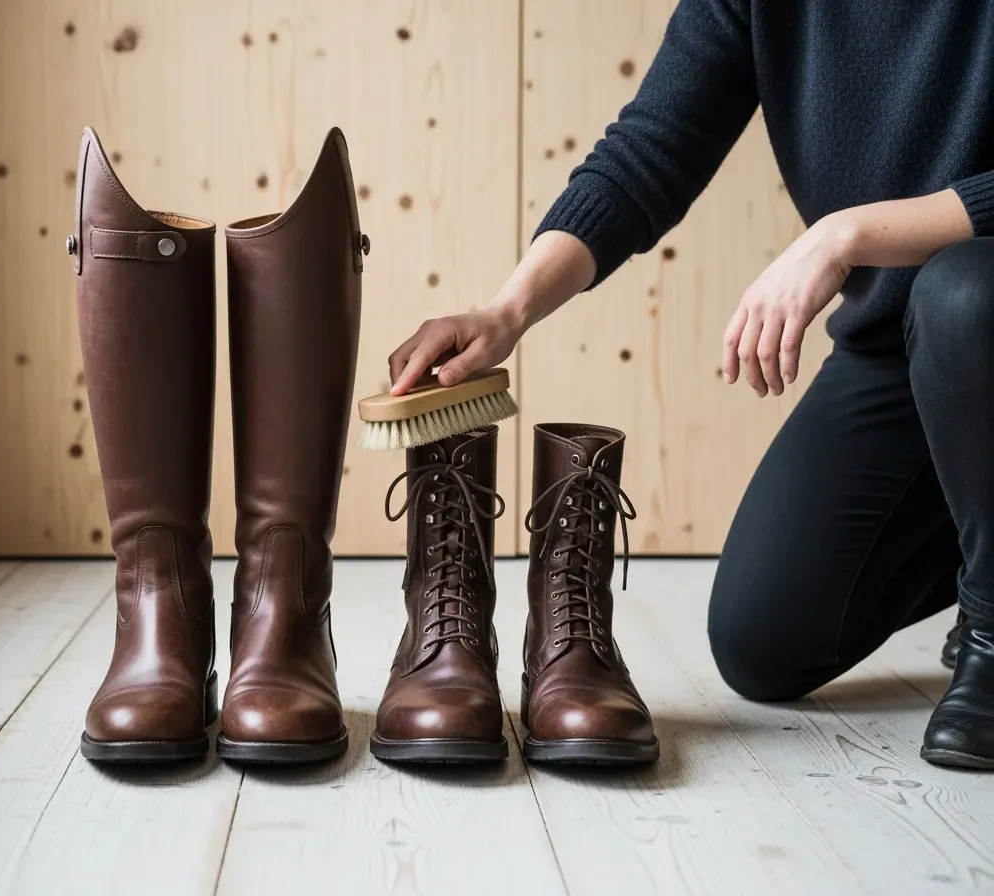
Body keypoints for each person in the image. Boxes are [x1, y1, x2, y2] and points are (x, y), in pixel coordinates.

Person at [386, 0, 994, 769]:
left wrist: (847, 234)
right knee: (765, 642)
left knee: (968, 295)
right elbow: (653, 148)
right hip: (902, 348)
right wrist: (509, 308)